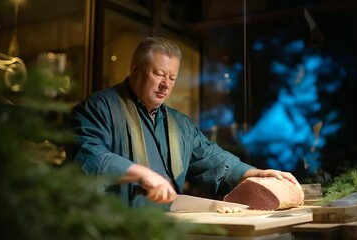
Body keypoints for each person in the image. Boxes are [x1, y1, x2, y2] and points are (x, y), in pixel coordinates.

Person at [71, 37, 298, 210]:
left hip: (165, 229)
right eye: (159, 74)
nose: (165, 85)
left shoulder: (179, 124)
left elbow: (212, 160)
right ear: (134, 69)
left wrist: (256, 173)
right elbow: (87, 155)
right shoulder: (99, 107)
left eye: (172, 78)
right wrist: (142, 173)